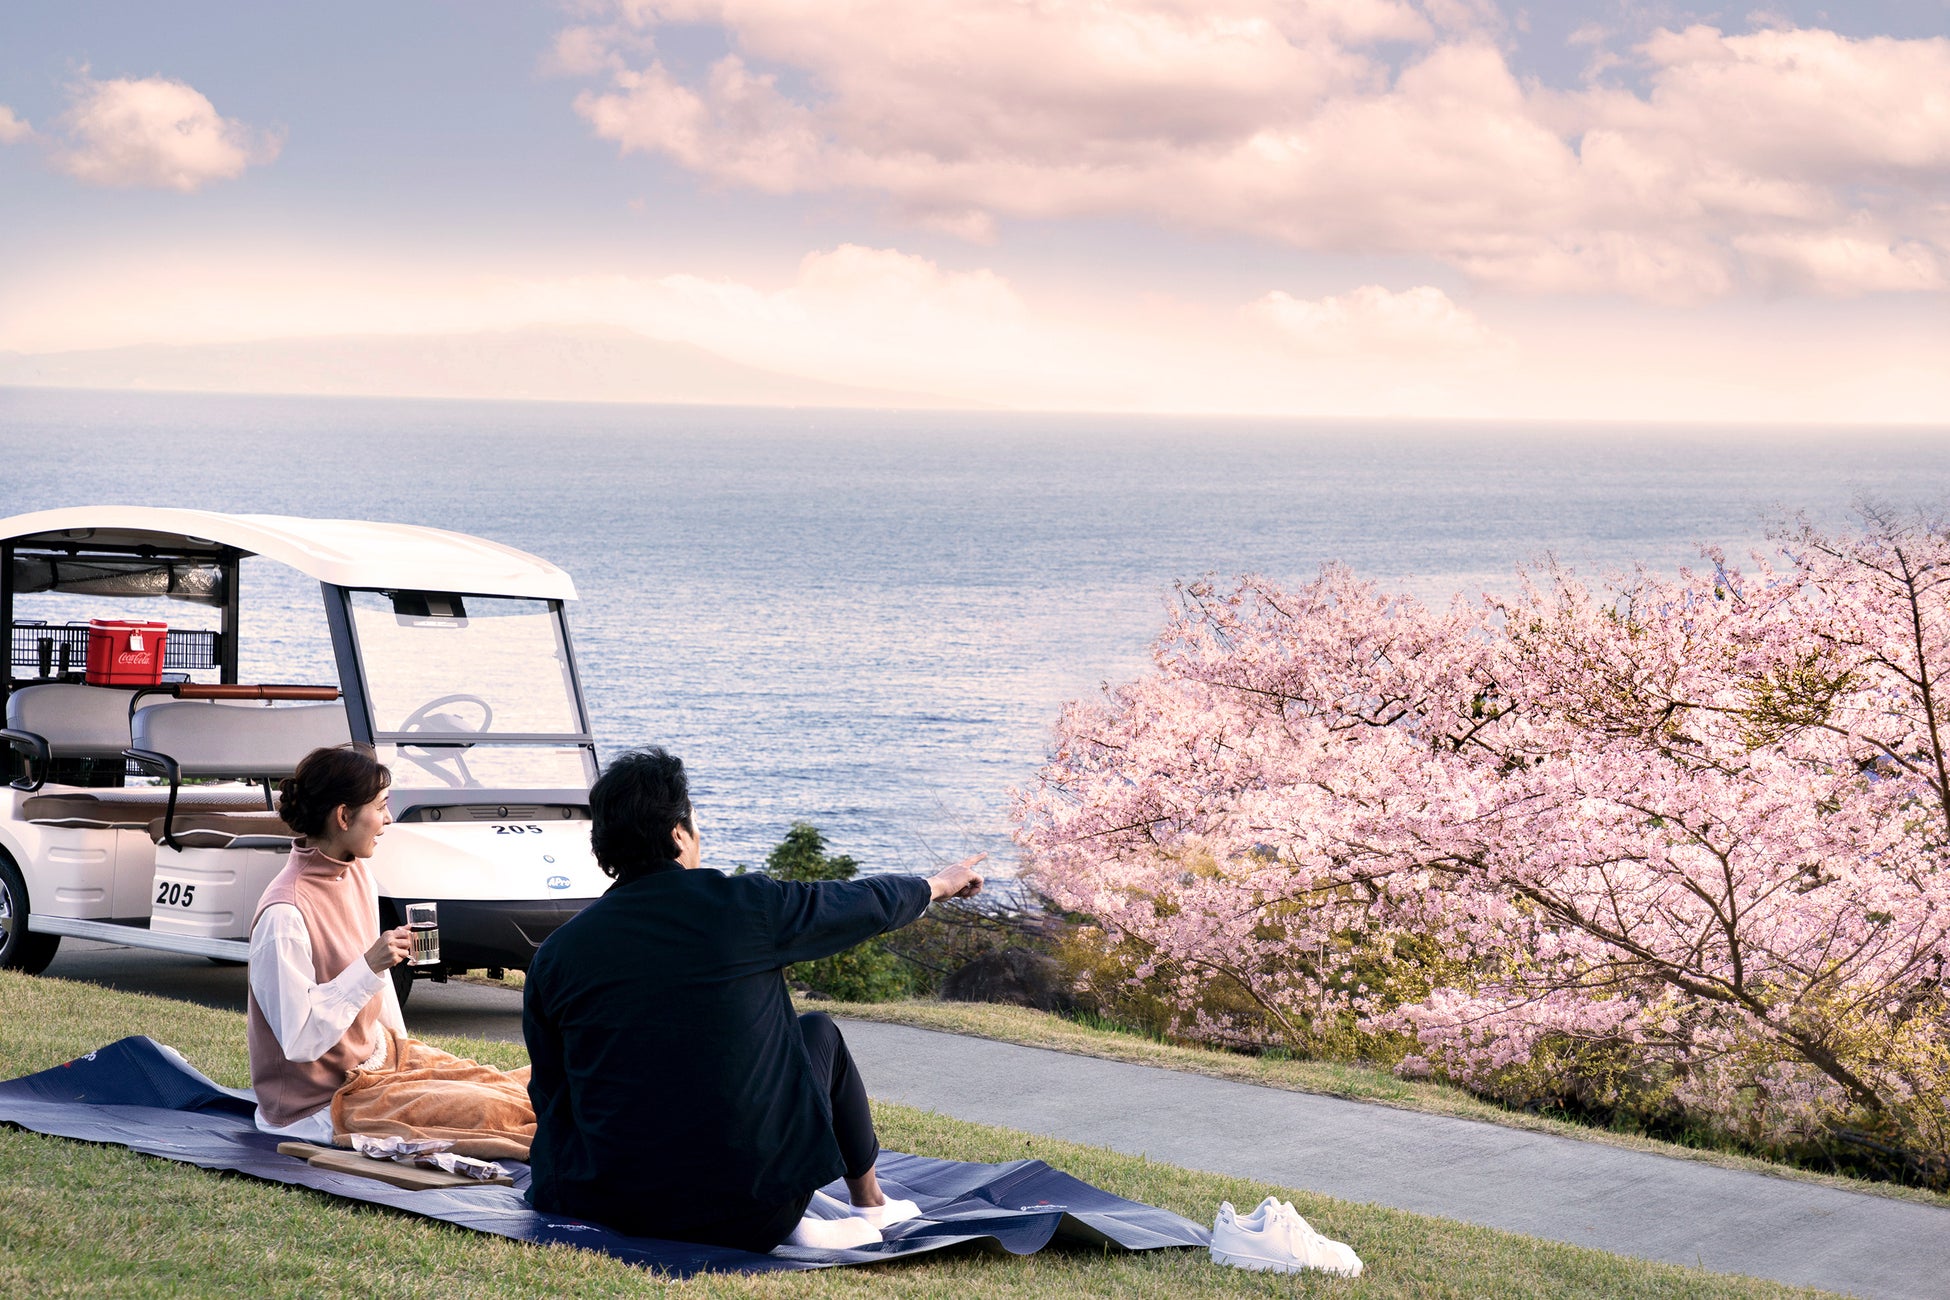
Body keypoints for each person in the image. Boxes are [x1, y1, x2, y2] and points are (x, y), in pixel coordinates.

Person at [522, 747, 985, 1252]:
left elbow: (550, 1094)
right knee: (818, 1032)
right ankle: (871, 1202)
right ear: (679, 833)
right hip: (752, 1211)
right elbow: (861, 904)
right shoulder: (746, 908)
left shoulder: (556, 954)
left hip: (604, 1204)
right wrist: (938, 884)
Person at [246, 745, 533, 1155]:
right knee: (491, 1111)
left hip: (380, 1063)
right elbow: (299, 1042)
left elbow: (376, 992)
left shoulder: (358, 874)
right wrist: (369, 966)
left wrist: (407, 1060)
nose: (387, 820)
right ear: (344, 816)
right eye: (380, 807)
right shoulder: (284, 914)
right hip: (325, 1102)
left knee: (509, 1083)